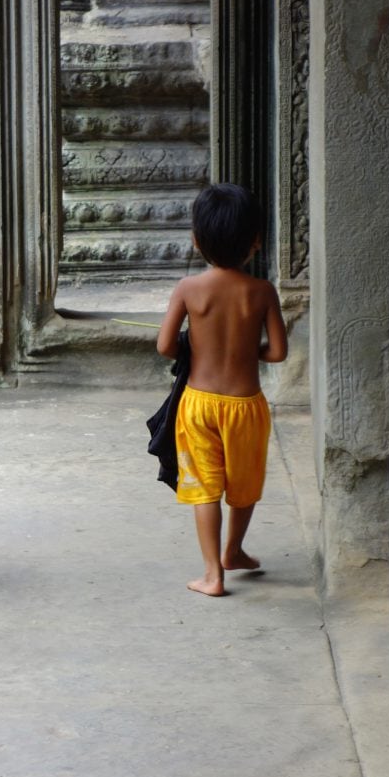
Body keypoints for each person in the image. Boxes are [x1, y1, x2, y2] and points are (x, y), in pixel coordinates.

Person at [156, 183, 288, 596]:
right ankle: (235, 550)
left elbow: (163, 346)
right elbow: (278, 352)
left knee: (205, 488)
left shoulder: (188, 290)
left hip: (197, 405)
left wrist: (192, 345)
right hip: (246, 406)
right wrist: (249, 352)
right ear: (256, 242)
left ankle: (213, 574)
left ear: (196, 242)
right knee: (243, 485)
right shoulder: (262, 292)